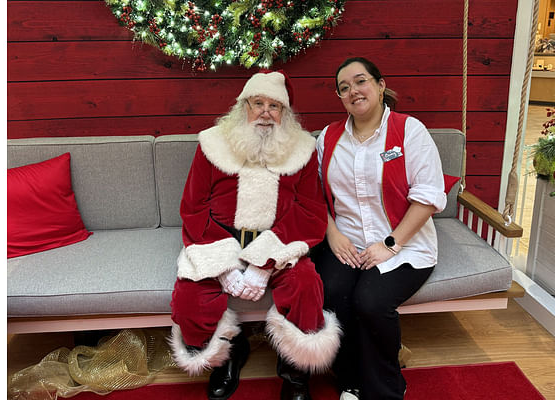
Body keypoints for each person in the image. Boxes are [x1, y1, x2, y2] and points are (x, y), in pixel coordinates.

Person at [168, 70, 341, 400]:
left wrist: (264, 264)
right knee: (190, 299)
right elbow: (194, 207)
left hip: (281, 242)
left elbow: (309, 211)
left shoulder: (303, 150)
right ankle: (227, 357)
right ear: (242, 107)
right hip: (216, 239)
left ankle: (295, 373)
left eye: (274, 106)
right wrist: (225, 266)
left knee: (306, 287)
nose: (265, 111)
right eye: (258, 103)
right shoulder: (211, 144)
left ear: (284, 114)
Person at [313, 57, 447, 400]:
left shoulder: (409, 130)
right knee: (332, 294)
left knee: (370, 301)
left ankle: (387, 389)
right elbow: (312, 194)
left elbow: (429, 196)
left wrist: (390, 243)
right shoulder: (328, 139)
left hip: (404, 243)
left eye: (361, 82)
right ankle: (350, 381)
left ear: (380, 85)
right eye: (344, 88)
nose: (353, 91)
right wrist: (332, 233)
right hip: (346, 242)